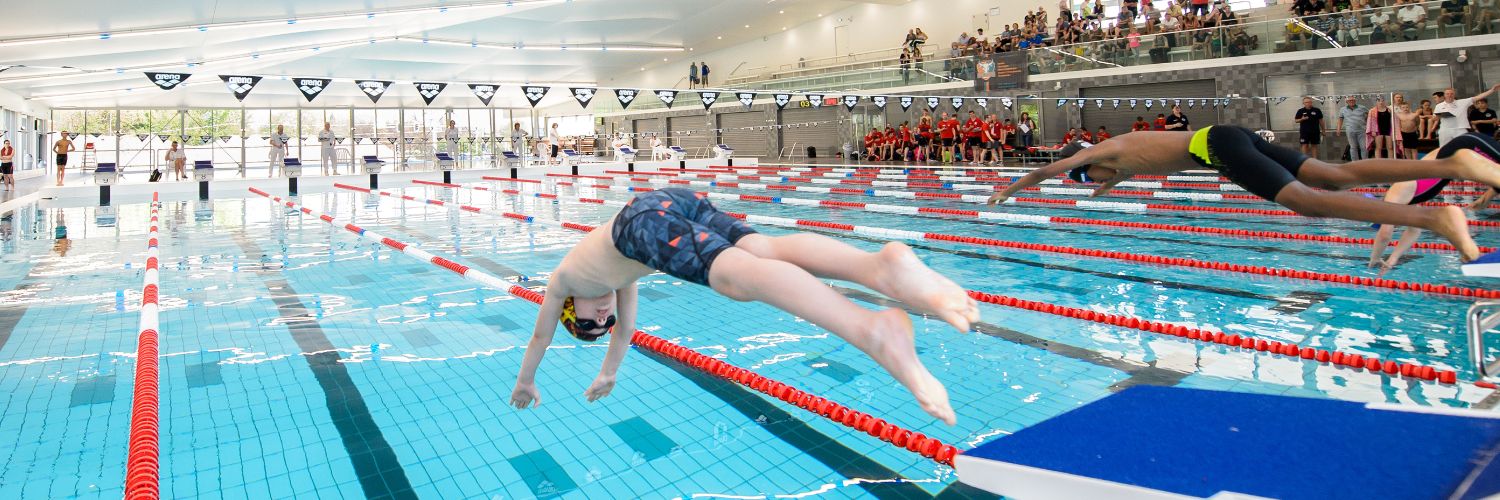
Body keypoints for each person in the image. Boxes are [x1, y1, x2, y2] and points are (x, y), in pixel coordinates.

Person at [509, 188, 979, 425]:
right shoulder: (620, 278)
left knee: (736, 279)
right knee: (765, 251)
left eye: (594, 320)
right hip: (672, 201)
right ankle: (880, 267)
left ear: (573, 307)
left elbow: (539, 335)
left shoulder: (563, 281)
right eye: (603, 321)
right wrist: (609, 372)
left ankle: (871, 330)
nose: (606, 315)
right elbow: (626, 332)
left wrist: (527, 379)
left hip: (640, 220)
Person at [986, 126, 1500, 262]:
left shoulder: (1100, 151)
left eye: (1089, 177)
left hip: (1217, 147)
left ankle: (1436, 221)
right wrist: (1102, 193)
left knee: (1308, 200)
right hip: (1229, 138)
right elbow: (1113, 176)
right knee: (1331, 174)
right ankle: (1455, 162)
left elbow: (1053, 168)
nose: (1093, 182)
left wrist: (1009, 190)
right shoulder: (1116, 158)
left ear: (1089, 160)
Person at [1368, 133, 1500, 272]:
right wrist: (1393, 259)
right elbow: (1413, 231)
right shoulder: (1407, 201)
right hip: (1459, 154)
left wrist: (1375, 258)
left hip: (1464, 146)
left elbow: (1384, 235)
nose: (1395, 224)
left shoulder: (1396, 194)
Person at [1436, 85, 1500, 146]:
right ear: (1444, 95)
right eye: (1447, 94)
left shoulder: (1462, 102)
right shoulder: (1439, 106)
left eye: (1451, 93)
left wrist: (1492, 90)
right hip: (1445, 129)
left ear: (1454, 95)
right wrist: (1441, 116)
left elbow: (1478, 97)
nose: (1449, 95)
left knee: (1464, 147)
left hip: (1460, 129)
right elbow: (1435, 118)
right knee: (1443, 149)